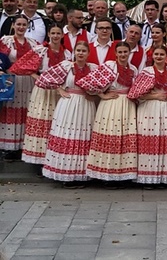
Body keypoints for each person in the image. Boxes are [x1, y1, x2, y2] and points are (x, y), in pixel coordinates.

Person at [79, 41, 139, 188]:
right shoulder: (110, 66)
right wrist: (102, 95)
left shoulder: (133, 69)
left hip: (127, 105)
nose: (123, 54)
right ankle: (107, 174)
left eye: (125, 52)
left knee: (125, 138)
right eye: (120, 52)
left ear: (129, 53)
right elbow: (89, 82)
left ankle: (122, 174)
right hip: (111, 104)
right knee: (110, 136)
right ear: (116, 53)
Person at [37, 41, 97, 187]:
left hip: (86, 105)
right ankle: (65, 174)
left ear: (88, 53)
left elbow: (101, 86)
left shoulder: (93, 68)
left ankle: (80, 174)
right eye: (78, 50)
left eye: (84, 51)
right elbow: (43, 78)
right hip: (68, 103)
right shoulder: (66, 66)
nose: (81, 53)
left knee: (83, 136)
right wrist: (59, 89)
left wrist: (95, 95)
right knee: (68, 135)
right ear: (74, 52)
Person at [128, 45, 167, 187]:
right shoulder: (147, 72)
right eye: (156, 54)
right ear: (152, 56)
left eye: (162, 54)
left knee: (165, 140)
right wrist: (155, 96)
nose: (159, 57)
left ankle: (163, 177)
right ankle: (147, 177)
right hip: (149, 108)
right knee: (149, 140)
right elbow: (135, 93)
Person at [20, 25, 69, 165]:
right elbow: (26, 67)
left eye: (58, 33)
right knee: (42, 121)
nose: (55, 36)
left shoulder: (67, 53)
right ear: (48, 34)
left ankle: (53, 158)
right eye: (53, 33)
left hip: (59, 91)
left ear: (62, 35)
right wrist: (41, 79)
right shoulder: (40, 50)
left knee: (56, 122)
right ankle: (39, 159)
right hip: (42, 89)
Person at [0, 16, 40, 159]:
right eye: (19, 24)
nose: (21, 27)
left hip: (29, 81)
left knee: (26, 111)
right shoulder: (6, 41)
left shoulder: (33, 43)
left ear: (27, 26)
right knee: (10, 110)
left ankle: (24, 144)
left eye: (24, 25)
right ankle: (9, 147)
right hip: (12, 80)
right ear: (13, 25)